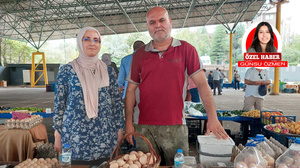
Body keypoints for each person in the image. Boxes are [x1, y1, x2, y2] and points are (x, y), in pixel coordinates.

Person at [125, 6, 228, 166]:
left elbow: (202, 84)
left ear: (170, 22)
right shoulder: (139, 55)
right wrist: (128, 123)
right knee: (146, 164)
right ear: (147, 27)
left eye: (161, 20)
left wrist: (212, 117)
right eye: (152, 22)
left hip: (175, 126)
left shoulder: (187, 50)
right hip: (143, 127)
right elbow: (130, 90)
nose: (157, 25)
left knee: (179, 165)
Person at [53, 27, 124, 161]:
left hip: (105, 135)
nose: (92, 43)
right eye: (87, 39)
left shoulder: (108, 71)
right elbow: (59, 104)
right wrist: (57, 134)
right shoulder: (67, 70)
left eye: (96, 40)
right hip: (76, 136)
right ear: (80, 42)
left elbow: (116, 103)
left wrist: (119, 130)